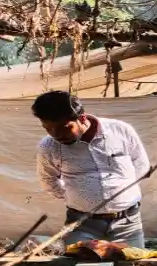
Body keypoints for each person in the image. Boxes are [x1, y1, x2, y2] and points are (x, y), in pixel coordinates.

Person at [33, 90, 150, 248]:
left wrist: (122, 194)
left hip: (127, 222)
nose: (56, 134)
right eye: (48, 129)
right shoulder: (48, 146)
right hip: (81, 224)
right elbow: (48, 180)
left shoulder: (121, 131)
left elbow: (141, 166)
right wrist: (77, 196)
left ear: (82, 118)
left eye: (64, 128)